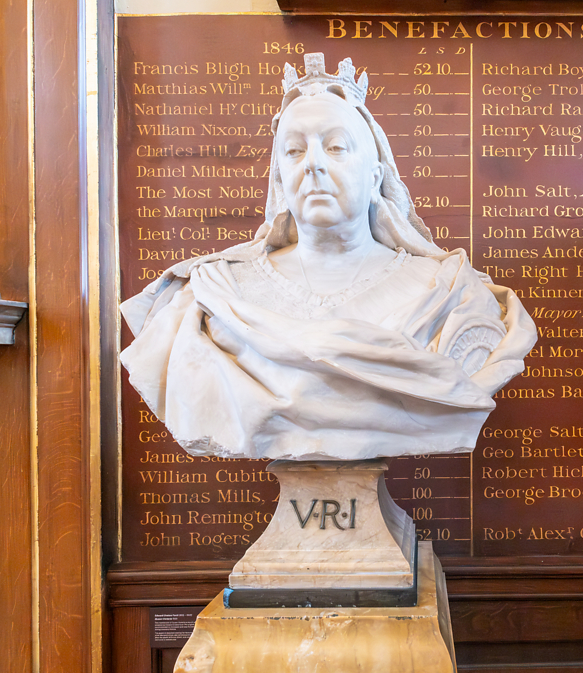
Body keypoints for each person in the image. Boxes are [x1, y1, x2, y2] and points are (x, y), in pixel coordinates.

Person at [120, 54, 536, 460]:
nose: (313, 164)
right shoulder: (215, 296)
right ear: (280, 179)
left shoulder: (449, 292)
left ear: (375, 176)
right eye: (294, 151)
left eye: (336, 147)